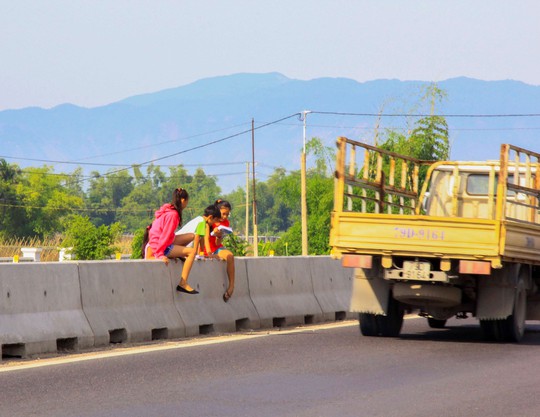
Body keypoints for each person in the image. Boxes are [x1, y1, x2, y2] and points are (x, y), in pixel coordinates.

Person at [142, 187, 199, 294]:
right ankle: (183, 283)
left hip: (164, 242)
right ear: (183, 200)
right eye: (187, 201)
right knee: (191, 252)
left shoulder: (169, 210)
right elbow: (165, 235)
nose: (187, 204)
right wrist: (159, 254)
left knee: (192, 236)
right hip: (161, 245)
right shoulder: (173, 215)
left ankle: (176, 254)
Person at [207, 199, 236, 302]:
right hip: (206, 248)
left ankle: (231, 286)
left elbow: (217, 244)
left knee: (230, 256)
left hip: (216, 248)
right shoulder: (210, 219)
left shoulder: (225, 223)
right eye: (223, 214)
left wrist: (218, 236)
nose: (225, 217)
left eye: (227, 215)